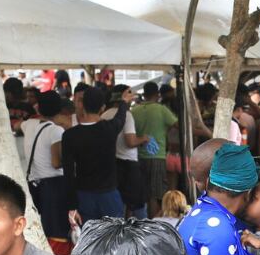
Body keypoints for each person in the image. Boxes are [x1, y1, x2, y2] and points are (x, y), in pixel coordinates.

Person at [62, 87, 130, 224]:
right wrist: (123, 102)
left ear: (83, 105)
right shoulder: (109, 129)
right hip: (109, 194)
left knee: (91, 239)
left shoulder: (70, 135)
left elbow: (68, 172)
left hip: (84, 196)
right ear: (102, 108)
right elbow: (121, 117)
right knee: (115, 239)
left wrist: (71, 206)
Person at [21, 91, 70, 247]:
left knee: (37, 229)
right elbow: (56, 162)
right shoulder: (56, 131)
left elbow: (16, 126)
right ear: (60, 110)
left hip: (34, 184)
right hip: (54, 185)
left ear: (39, 109)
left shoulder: (28, 125)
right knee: (56, 232)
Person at [132, 81, 178, 217]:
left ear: (144, 94)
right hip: (157, 157)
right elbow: (177, 124)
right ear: (157, 94)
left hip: (138, 156)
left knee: (143, 194)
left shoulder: (134, 111)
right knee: (155, 195)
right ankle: (153, 224)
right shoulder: (161, 109)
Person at [103, 85, 148, 219]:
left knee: (120, 204)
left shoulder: (104, 115)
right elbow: (131, 141)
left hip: (112, 164)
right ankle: (145, 233)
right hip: (129, 166)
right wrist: (144, 138)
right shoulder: (127, 115)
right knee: (139, 205)